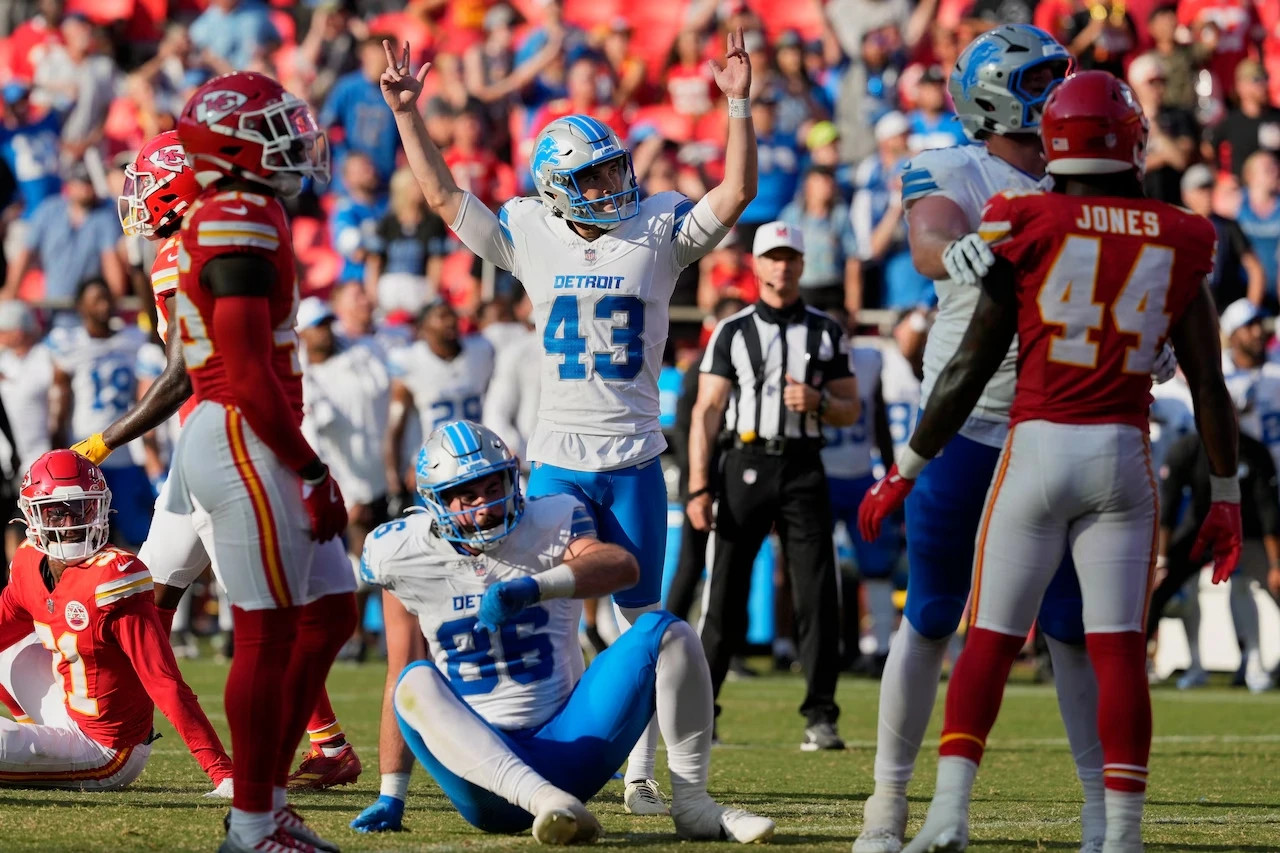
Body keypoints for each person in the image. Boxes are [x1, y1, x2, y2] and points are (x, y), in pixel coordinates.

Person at [858, 70, 1242, 853]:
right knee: (1117, 650)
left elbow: (971, 359)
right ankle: (1117, 832)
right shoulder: (1182, 231)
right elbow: (1209, 383)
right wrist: (1226, 494)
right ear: (1130, 138)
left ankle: (946, 813)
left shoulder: (1021, 217)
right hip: (1121, 458)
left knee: (991, 637)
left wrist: (905, 465)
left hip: (1034, 445)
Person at [378, 26, 757, 814]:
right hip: (556, 459)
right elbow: (447, 199)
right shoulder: (530, 232)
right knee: (549, 611)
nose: (610, 184)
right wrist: (409, 117)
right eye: (590, 176)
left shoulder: (655, 228)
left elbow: (735, 195)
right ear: (554, 188)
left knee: (645, 618)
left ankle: (645, 775)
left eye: (614, 168)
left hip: (634, 455)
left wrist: (740, 107)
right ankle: (533, 746)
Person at [851, 26, 1106, 853]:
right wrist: (950, 250)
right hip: (967, 422)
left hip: (1057, 419)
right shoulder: (953, 165)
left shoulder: (1087, 172)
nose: (1058, 88)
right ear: (997, 92)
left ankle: (1103, 813)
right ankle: (886, 805)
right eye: (1042, 77)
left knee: (1070, 623)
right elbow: (930, 236)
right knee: (928, 612)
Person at [71, 132, 364, 798]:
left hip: (229, 441)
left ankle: (259, 778)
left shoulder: (187, 247)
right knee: (147, 599)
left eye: (147, 187)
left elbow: (183, 372)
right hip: (207, 443)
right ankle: (126, 726)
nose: (138, 205)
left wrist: (103, 441)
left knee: (253, 612)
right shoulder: (214, 233)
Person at [353, 420, 776, 844]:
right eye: (468, 495)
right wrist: (393, 794)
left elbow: (622, 568)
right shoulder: (402, 554)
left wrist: (535, 586)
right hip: (484, 781)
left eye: (493, 487)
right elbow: (400, 673)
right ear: (438, 502)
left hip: (570, 744)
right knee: (414, 679)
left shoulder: (550, 519)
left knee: (666, 631)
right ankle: (543, 800)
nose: (485, 506)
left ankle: (693, 806)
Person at [169, 71, 354, 853]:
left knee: (333, 608)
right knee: (265, 630)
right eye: (275, 126)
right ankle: (253, 820)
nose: (293, 141)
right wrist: (310, 467)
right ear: (236, 142)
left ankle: (266, 804)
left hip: (248, 426)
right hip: (245, 427)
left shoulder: (241, 208)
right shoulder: (239, 211)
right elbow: (245, 371)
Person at [687, 222, 861, 749]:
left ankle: (821, 715)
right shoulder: (734, 330)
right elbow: (707, 410)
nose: (781, 267)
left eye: (790, 258)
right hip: (745, 462)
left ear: (803, 265)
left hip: (804, 465)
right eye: (773, 257)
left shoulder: (826, 331)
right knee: (726, 594)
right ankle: (701, 713)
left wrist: (821, 405)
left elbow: (850, 406)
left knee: (816, 592)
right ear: (757, 265)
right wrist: (698, 486)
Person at [0, 449, 232, 791]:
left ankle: (42, 750)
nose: (71, 523)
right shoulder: (28, 562)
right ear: (33, 517)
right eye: (57, 512)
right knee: (10, 649)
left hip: (107, 748)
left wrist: (223, 772)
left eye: (82, 508)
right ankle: (40, 740)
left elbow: (163, 681)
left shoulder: (113, 577)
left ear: (99, 507)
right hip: (67, 705)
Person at [47, 279, 152, 549]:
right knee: (87, 537)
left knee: (138, 535)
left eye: (107, 298)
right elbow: (60, 399)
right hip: (87, 454)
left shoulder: (133, 339)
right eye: (96, 300)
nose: (104, 305)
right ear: (81, 307)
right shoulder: (69, 343)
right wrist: (58, 448)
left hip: (127, 453)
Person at [384, 300, 494, 513]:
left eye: (451, 315)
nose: (450, 321)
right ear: (423, 328)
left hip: (479, 458)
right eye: (441, 316)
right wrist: (394, 481)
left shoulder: (481, 350)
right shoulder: (410, 361)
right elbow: (396, 425)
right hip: (434, 465)